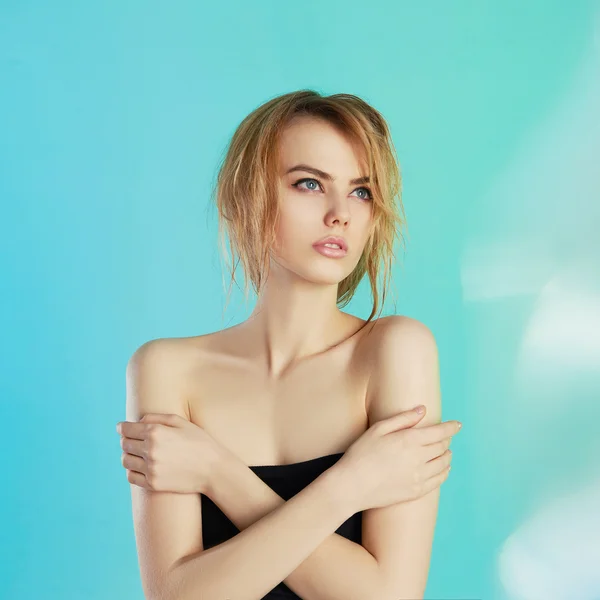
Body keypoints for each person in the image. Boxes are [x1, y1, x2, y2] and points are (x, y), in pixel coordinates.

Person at [117, 90, 462, 600]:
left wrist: (219, 474)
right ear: (244, 199)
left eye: (362, 192)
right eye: (308, 184)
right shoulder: (167, 369)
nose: (340, 214)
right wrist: (354, 482)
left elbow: (389, 596)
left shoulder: (394, 351)